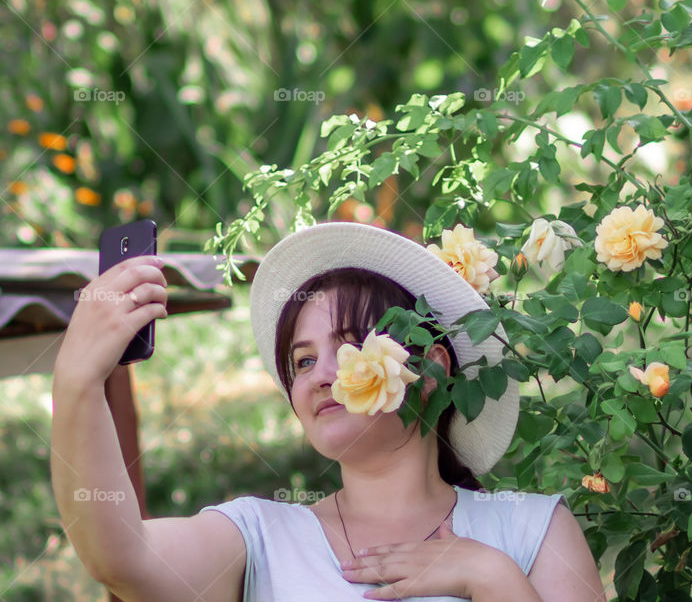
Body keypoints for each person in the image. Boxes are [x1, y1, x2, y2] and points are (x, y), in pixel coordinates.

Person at [51, 221, 606, 601]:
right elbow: (121, 556)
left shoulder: (532, 528)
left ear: (432, 369)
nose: (318, 374)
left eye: (345, 345)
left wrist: (490, 575)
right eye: (302, 360)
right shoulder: (257, 535)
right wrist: (77, 380)